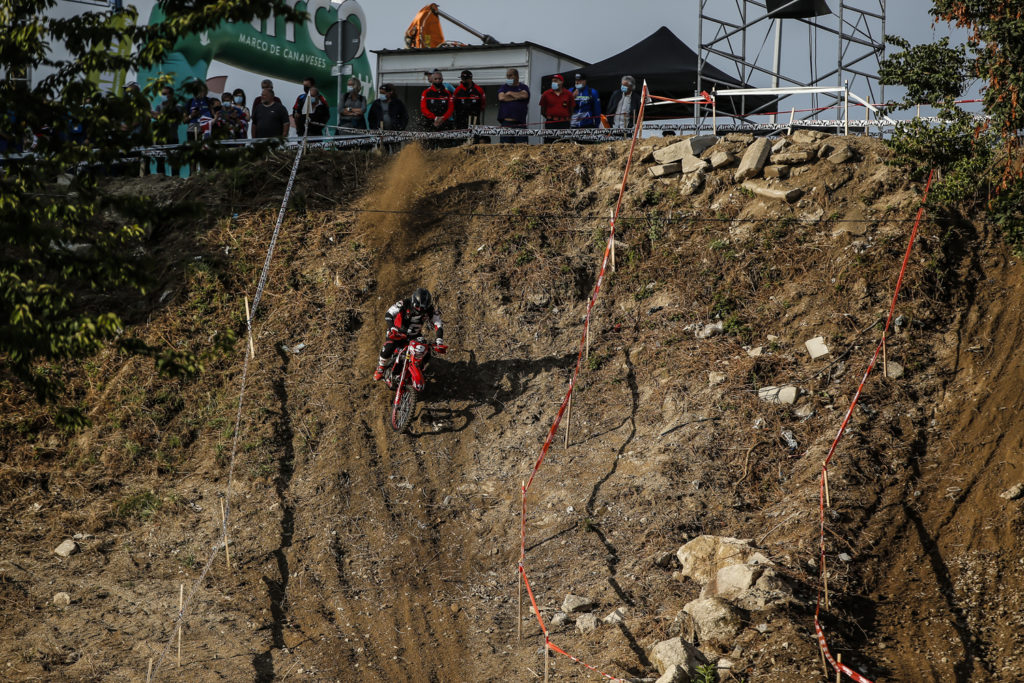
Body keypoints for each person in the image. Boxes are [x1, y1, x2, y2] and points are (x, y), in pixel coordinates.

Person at [374, 288, 445, 381]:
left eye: (423, 308)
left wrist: (439, 340)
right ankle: (381, 368)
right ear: (413, 301)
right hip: (398, 332)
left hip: (414, 335)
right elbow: (389, 313)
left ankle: (419, 369)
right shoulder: (404, 303)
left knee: (426, 351)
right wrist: (392, 327)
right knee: (389, 346)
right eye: (417, 306)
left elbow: (438, 324)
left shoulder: (430, 310)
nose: (420, 309)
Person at [497, 67, 529, 143]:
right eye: (507, 75)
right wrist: (517, 97)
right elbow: (501, 98)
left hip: (520, 123)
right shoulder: (504, 87)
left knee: (521, 147)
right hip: (506, 123)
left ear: (516, 76)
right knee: (506, 147)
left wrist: (510, 93)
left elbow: (524, 95)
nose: (508, 77)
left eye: (510, 75)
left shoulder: (523, 87)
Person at [539, 74, 573, 144]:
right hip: (551, 123)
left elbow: (571, 109)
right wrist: (551, 117)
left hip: (564, 123)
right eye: (552, 81)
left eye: (556, 81)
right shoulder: (546, 94)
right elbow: (542, 110)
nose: (553, 83)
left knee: (564, 144)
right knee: (549, 144)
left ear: (561, 82)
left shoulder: (568, 94)